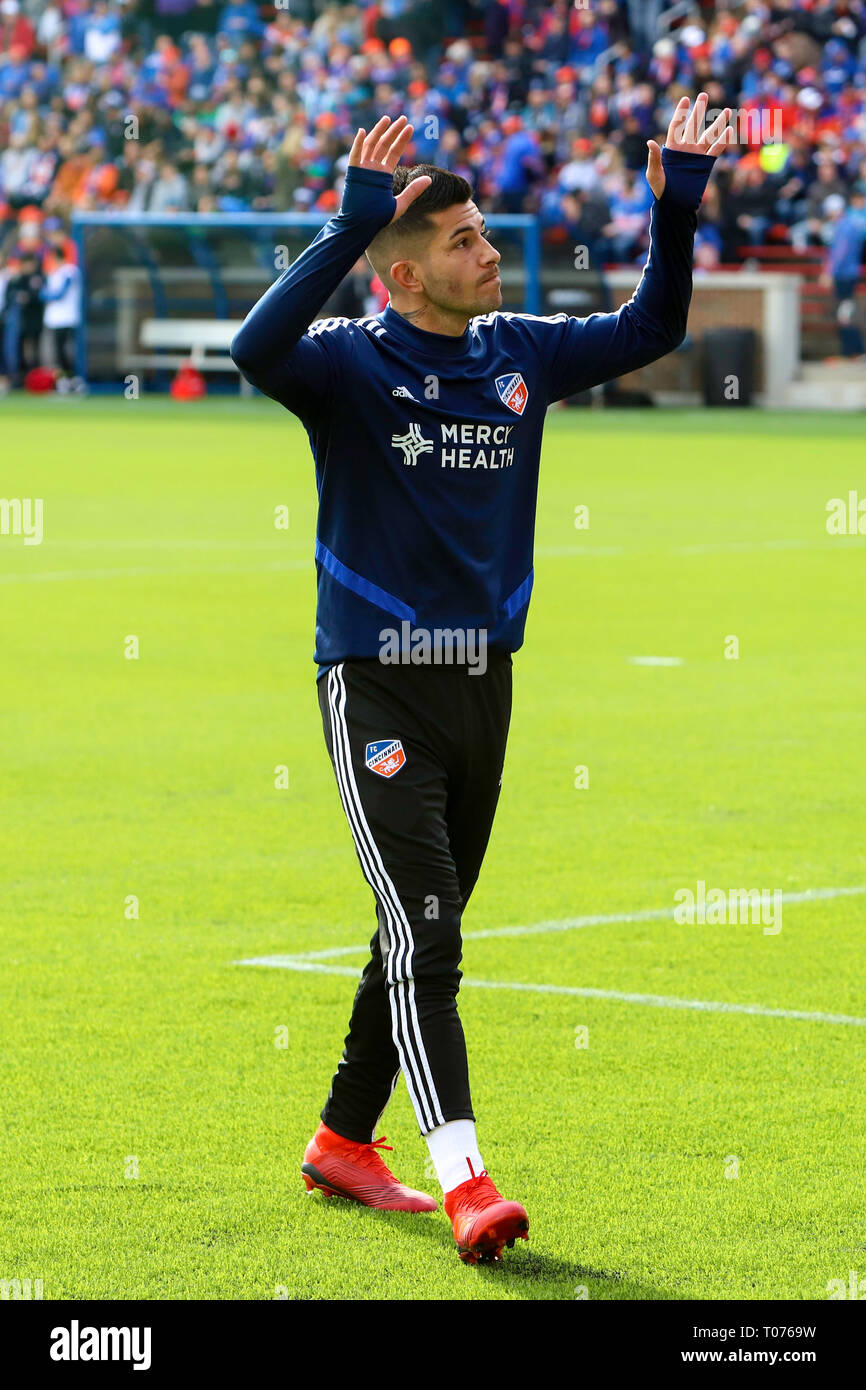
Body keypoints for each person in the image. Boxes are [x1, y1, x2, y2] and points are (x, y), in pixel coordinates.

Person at [230, 97, 731, 1265]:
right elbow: (254, 350)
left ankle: (341, 1143)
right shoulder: (349, 366)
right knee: (427, 939)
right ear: (402, 278)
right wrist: (347, 228)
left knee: (417, 928)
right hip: (375, 679)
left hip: (481, 682)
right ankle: (465, 1176)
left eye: (484, 234)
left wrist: (674, 206)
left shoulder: (522, 354)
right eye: (458, 241)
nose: (487, 251)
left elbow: (651, 327)